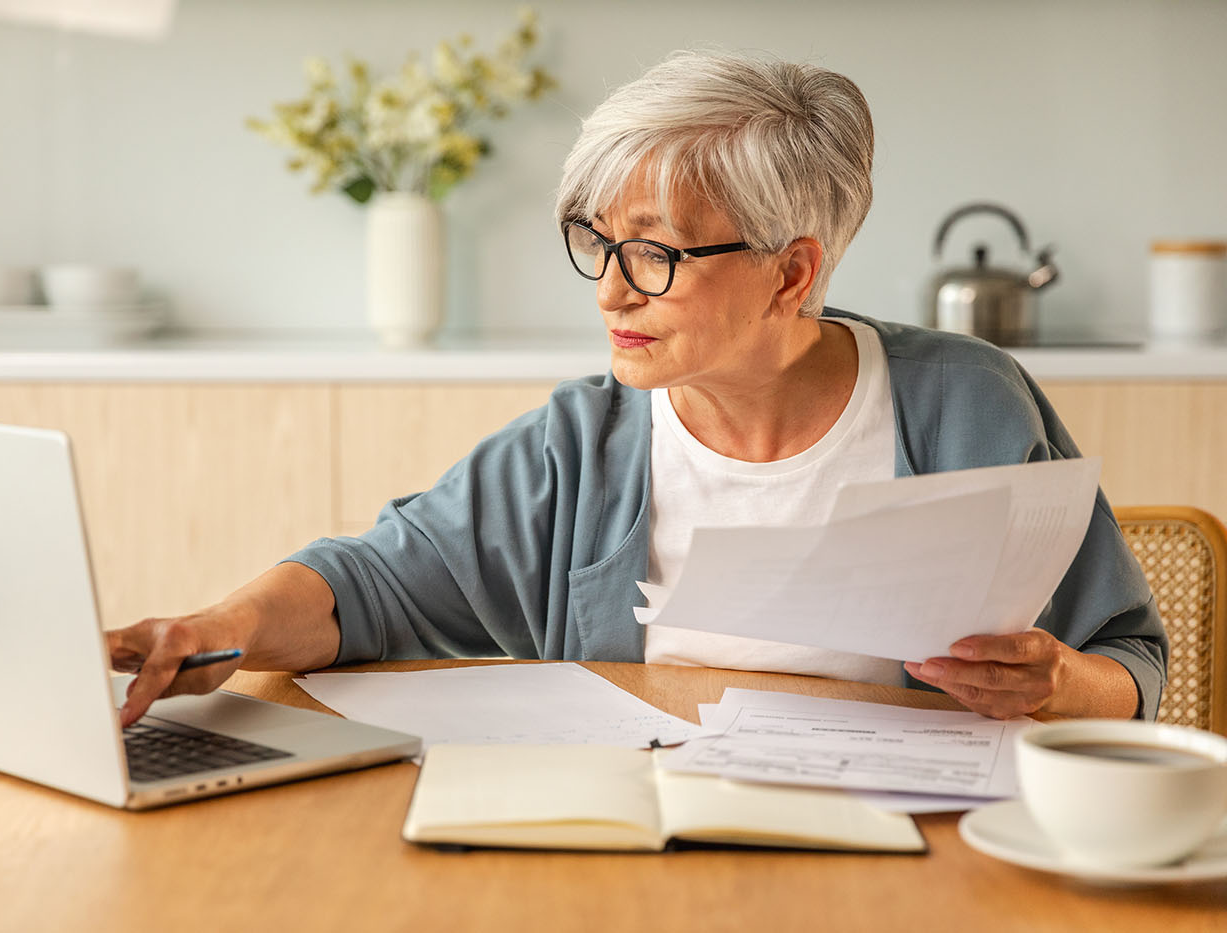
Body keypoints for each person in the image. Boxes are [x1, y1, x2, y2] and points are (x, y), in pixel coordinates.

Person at [109, 50, 1167, 729]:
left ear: (791, 272)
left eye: (655, 253)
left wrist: (1057, 685)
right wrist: (215, 624)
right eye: (596, 241)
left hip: (912, 857)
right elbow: (368, 587)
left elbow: (1125, 659)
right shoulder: (582, 441)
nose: (612, 287)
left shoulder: (970, 405)